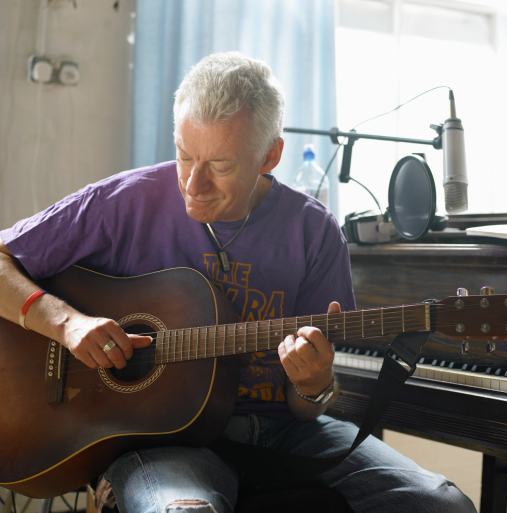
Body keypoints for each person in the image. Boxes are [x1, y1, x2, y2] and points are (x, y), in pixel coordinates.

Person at [0, 52, 476, 513]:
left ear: (269, 155)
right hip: (163, 442)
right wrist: (64, 322)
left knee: (441, 503)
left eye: (220, 166)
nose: (193, 184)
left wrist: (312, 385)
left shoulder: (313, 232)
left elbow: (310, 406)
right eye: (185, 156)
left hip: (286, 432)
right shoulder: (123, 203)